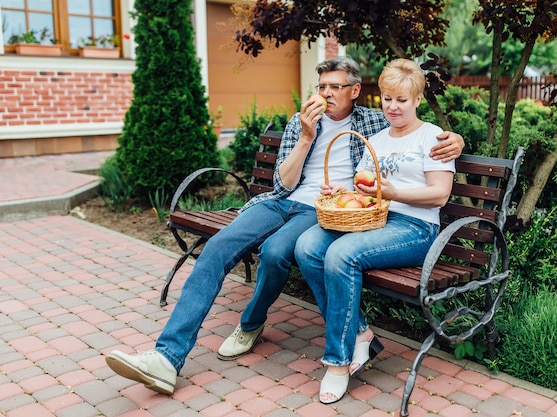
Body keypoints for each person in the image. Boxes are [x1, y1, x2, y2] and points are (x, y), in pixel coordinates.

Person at [104, 56, 464, 395]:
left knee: (277, 251)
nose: (326, 94)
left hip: (323, 213)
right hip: (282, 203)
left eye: (336, 87)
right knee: (217, 247)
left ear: (355, 91)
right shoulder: (301, 121)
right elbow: (284, 183)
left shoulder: (374, 122)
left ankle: (252, 324)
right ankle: (167, 357)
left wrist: (456, 140)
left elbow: (417, 133)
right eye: (322, 86)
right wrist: (307, 135)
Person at [294, 58, 456, 404]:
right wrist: (342, 194)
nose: (392, 107)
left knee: (340, 254)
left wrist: (394, 193)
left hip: (416, 228)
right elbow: (364, 189)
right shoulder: (377, 138)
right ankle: (360, 334)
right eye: (386, 98)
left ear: (416, 99)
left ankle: (338, 362)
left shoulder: (433, 137)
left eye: (401, 99)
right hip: (375, 220)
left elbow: (440, 195)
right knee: (307, 246)